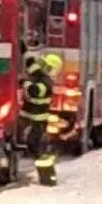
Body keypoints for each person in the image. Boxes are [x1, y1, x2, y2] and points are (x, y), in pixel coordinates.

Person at [20, 53, 62, 186]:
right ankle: (47, 178)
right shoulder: (41, 77)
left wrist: (23, 82)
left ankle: (48, 179)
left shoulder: (45, 82)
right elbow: (32, 70)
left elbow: (34, 90)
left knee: (37, 148)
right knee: (35, 148)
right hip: (33, 119)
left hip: (37, 122)